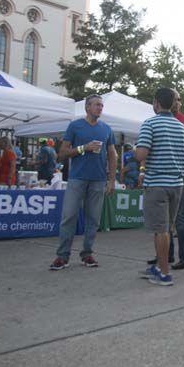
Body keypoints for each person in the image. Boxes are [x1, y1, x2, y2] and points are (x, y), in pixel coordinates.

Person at [49, 94, 117, 271]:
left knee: (93, 219)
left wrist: (111, 180)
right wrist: (83, 148)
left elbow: (112, 154)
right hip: (77, 178)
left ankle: (87, 253)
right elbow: (62, 153)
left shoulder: (106, 129)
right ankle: (62, 256)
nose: (100, 108)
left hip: (98, 179)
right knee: (69, 216)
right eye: (96, 105)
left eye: (101, 105)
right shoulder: (75, 126)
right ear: (87, 107)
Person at [134, 88, 184, 286]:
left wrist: (136, 149)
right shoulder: (182, 128)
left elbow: (141, 155)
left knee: (161, 230)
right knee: (165, 229)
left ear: (156, 103)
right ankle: (158, 267)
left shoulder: (150, 123)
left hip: (157, 183)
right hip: (176, 184)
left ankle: (164, 273)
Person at [146, 89, 184, 271]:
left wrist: (179, 147)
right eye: (174, 99)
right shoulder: (157, 121)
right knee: (163, 221)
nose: (177, 102)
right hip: (163, 176)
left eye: (179, 99)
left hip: (181, 175)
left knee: (181, 217)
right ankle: (165, 256)